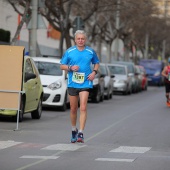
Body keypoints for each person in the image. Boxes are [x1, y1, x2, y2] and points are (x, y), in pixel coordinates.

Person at [60, 30, 100, 143]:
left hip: (86, 82)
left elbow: (96, 62)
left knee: (83, 107)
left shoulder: (90, 51)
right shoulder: (70, 51)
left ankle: (81, 133)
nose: (81, 40)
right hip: (73, 83)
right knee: (73, 108)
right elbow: (61, 66)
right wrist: (70, 68)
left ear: (85, 40)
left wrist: (94, 72)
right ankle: (74, 130)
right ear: (75, 40)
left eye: (82, 38)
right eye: (79, 39)